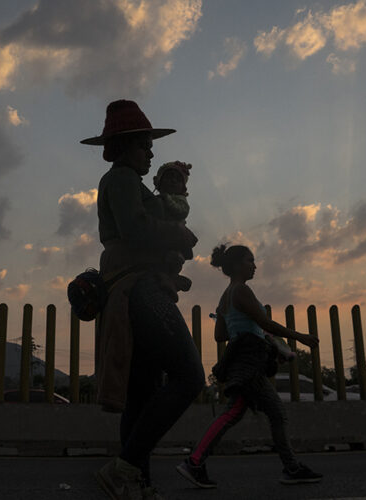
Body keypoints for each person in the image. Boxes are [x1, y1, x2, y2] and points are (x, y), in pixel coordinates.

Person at [80, 100, 205, 500]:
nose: (151, 152)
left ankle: (137, 482)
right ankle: (125, 468)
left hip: (137, 288)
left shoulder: (131, 184)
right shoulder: (119, 179)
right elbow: (135, 228)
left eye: (150, 145)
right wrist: (178, 237)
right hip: (139, 291)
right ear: (122, 147)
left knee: (144, 392)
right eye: (144, 145)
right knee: (188, 377)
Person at [176, 244, 323, 489]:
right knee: (272, 413)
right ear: (235, 266)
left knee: (235, 413)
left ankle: (196, 461)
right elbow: (265, 322)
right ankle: (291, 468)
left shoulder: (225, 297)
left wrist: (239, 325)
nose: (254, 265)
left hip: (241, 361)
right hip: (250, 362)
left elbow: (220, 335)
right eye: (249, 260)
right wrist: (300, 337)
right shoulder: (241, 290)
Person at [153, 161, 193, 292]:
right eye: (169, 177)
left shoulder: (179, 200)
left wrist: (167, 200)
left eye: (178, 179)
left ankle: (172, 277)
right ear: (158, 182)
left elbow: (182, 211)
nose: (173, 181)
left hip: (176, 237)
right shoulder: (155, 200)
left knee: (174, 257)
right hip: (162, 236)